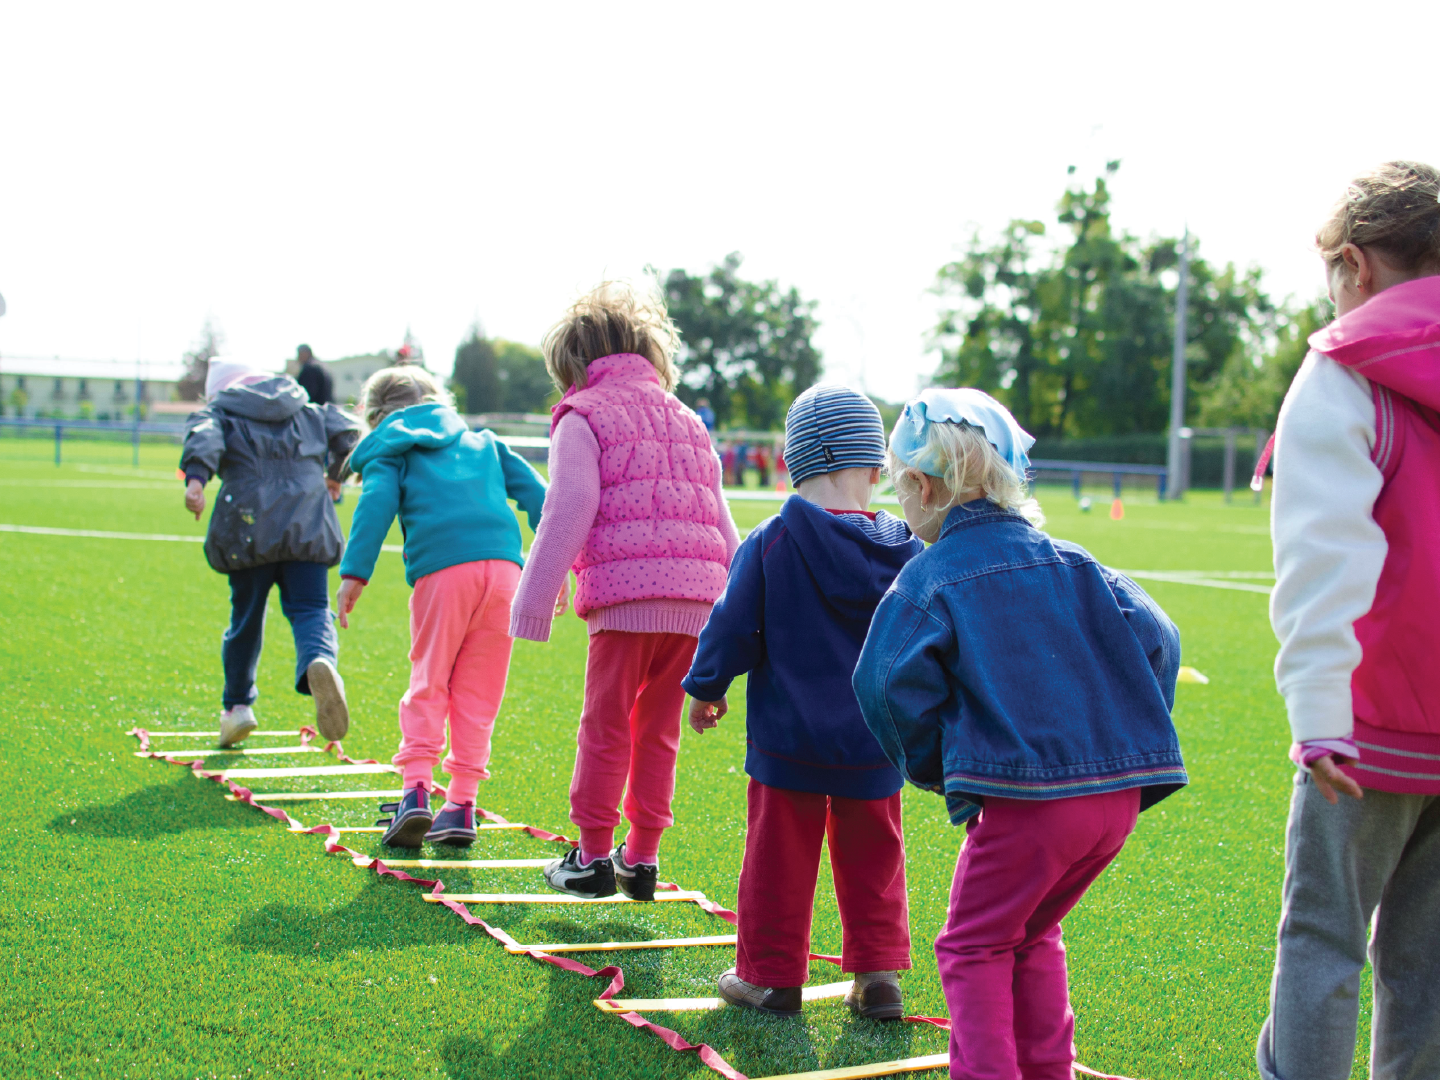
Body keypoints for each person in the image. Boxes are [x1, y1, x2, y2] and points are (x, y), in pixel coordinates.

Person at [853, 388, 1186, 1080]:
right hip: (1114, 802)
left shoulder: (930, 576)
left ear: (921, 486)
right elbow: (1161, 638)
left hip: (1027, 807)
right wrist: (1127, 731)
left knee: (972, 947)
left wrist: (937, 766)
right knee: (1032, 933)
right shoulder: (1076, 560)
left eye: (899, 488)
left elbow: (881, 684)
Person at [1256, 161, 1440, 1080]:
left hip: (1368, 723)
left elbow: (1324, 557)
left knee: (1324, 941)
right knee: (1430, 965)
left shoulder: (1342, 373)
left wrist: (1319, 710)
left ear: (1356, 265)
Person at [684, 385, 925, 1020]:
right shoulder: (910, 550)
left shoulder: (771, 541)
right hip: (876, 742)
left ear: (792, 464)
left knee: (777, 861)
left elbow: (731, 627)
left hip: (787, 741)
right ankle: (879, 978)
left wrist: (706, 688)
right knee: (876, 858)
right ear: (875, 468)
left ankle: (770, 977)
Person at [509, 280, 741, 899]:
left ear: (574, 366)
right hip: (698, 604)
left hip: (625, 600)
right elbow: (722, 520)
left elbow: (571, 505)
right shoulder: (689, 420)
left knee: (605, 724)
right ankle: (641, 856)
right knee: (658, 730)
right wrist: (742, 614)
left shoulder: (581, 416)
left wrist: (534, 599)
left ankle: (589, 857)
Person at [335, 366, 546, 847]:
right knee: (480, 693)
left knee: (429, 680)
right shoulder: (486, 443)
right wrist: (556, 565)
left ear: (375, 417)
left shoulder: (393, 449)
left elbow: (376, 504)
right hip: (506, 574)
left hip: (444, 572)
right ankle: (462, 806)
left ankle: (415, 794)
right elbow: (542, 497)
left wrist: (354, 573)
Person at [180, 359, 361, 747]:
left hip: (248, 525)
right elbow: (348, 431)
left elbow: (204, 436)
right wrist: (335, 474)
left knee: (246, 616)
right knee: (312, 607)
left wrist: (196, 480)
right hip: (309, 520)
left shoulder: (222, 411)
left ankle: (238, 707)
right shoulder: (305, 407)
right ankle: (321, 660)